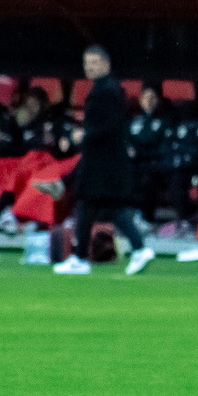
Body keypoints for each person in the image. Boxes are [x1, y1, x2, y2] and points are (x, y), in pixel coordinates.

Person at [52, 44, 156, 276]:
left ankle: (80, 258)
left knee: (87, 204)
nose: (89, 67)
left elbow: (109, 126)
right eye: (87, 63)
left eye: (94, 63)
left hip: (101, 162)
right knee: (106, 208)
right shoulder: (108, 88)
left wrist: (84, 135)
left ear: (106, 64)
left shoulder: (105, 91)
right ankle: (138, 249)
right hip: (106, 161)